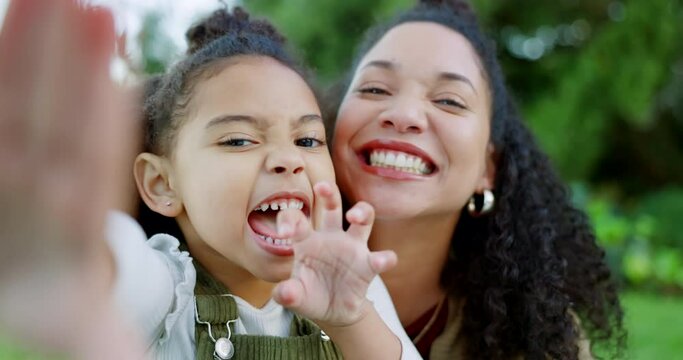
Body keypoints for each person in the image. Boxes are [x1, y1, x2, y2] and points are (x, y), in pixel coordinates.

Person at [0, 1, 420, 359]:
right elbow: (102, 266)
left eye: (307, 139)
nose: (287, 159)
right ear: (162, 184)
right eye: (238, 140)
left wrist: (352, 320)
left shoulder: (352, 282)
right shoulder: (164, 291)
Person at [325, 0, 625, 358]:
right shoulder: (258, 291)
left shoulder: (535, 336)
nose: (403, 115)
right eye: (375, 89)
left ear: (488, 169)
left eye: (449, 100)